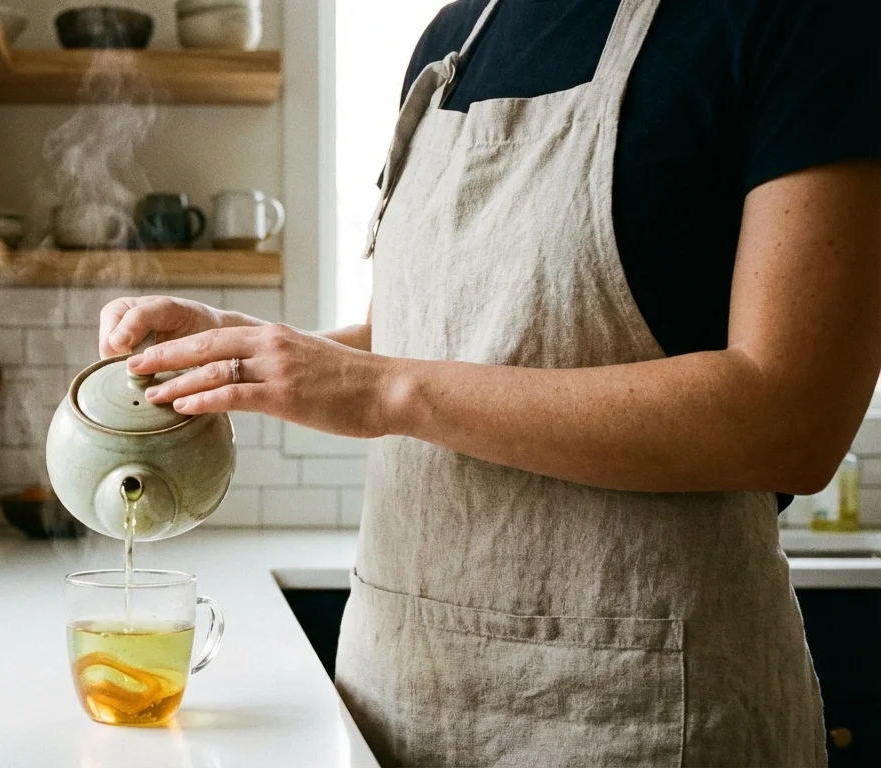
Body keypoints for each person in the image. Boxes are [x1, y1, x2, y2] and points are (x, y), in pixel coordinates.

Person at [96, 0, 880, 764]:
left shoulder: (805, 19)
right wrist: (238, 354)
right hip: (396, 700)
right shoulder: (451, 43)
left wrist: (380, 390)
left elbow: (792, 419)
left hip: (638, 714)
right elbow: (412, 337)